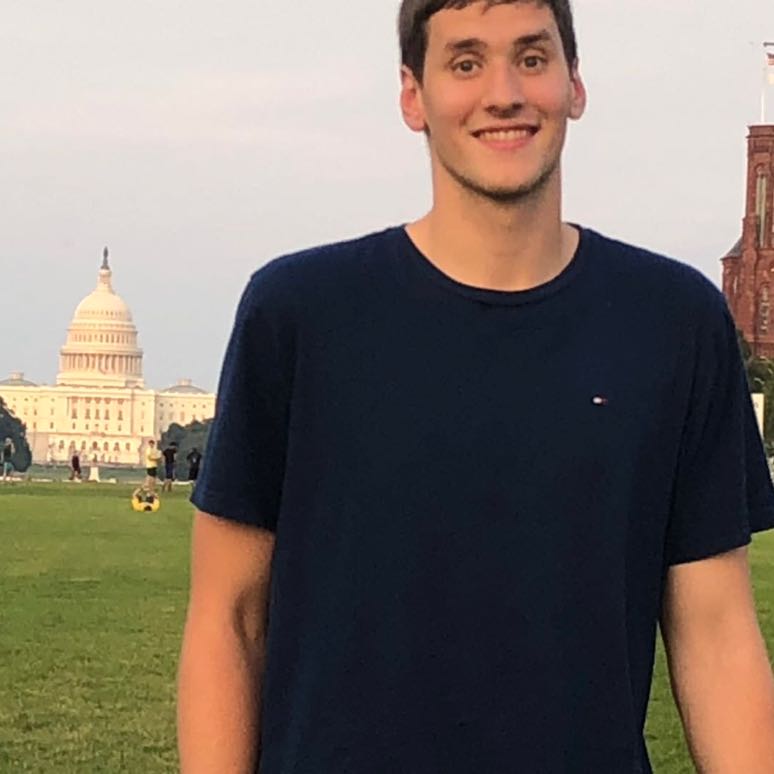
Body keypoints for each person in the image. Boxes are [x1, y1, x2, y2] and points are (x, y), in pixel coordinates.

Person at [177, 2, 774, 772]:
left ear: (575, 84)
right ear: (412, 95)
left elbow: (717, 635)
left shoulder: (673, 323)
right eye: (466, 62)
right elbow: (229, 621)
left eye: (532, 58)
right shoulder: (299, 315)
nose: (504, 94)